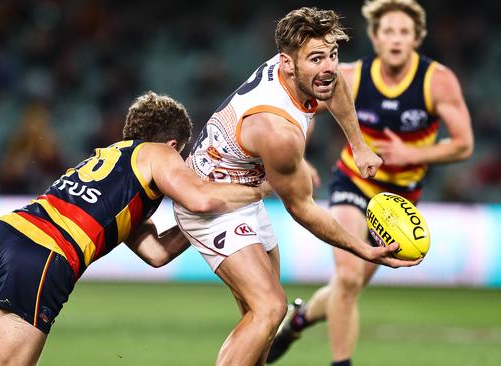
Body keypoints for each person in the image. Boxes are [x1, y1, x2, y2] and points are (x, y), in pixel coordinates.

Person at [0, 91, 273, 366]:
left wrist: (199, 223)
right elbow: (202, 199)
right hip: (43, 256)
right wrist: (256, 190)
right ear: (173, 144)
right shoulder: (159, 154)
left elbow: (157, 253)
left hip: (0, 235)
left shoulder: (113, 164)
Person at [173, 7, 421, 366]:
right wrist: (362, 249)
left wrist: (359, 145)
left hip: (244, 188)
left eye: (333, 55)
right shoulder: (278, 131)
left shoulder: (304, 73)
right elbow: (301, 208)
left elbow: (335, 86)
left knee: (262, 322)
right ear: (287, 63)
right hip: (211, 201)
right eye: (317, 58)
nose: (329, 67)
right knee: (271, 307)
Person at [266, 1, 474, 365]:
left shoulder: (437, 81)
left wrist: (412, 155)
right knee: (347, 277)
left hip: (400, 196)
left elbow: (463, 145)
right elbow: (306, 108)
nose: (395, 39)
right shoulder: (351, 74)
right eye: (388, 31)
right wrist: (299, 159)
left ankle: (298, 319)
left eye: (404, 32)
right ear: (375, 37)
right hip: (354, 182)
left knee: (350, 284)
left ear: (416, 38)